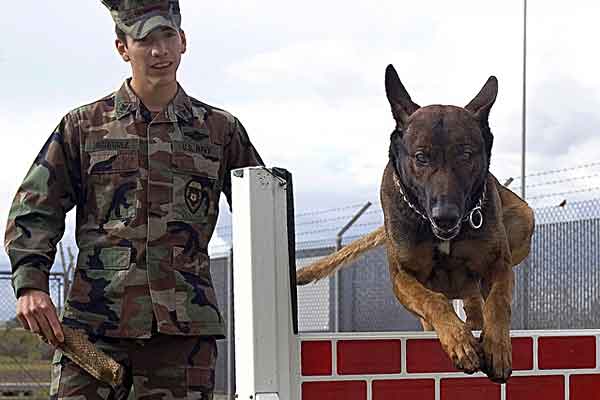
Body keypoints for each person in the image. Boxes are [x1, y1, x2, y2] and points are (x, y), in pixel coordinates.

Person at [4, 1, 263, 398]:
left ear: (184, 41)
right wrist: (30, 284)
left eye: (167, 37)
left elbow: (263, 212)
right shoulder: (85, 127)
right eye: (145, 40)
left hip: (181, 341)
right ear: (122, 48)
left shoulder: (220, 132)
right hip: (94, 332)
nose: (159, 51)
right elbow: (37, 205)